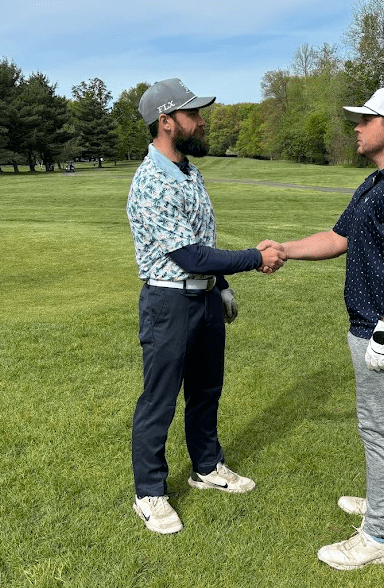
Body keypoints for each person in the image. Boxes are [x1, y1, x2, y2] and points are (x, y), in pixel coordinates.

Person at [259, 87, 384, 569]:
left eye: (366, 119)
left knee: (379, 428)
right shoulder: (377, 182)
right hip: (375, 324)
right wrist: (285, 249)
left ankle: (377, 538)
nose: (357, 127)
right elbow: (338, 237)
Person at [126, 78, 286, 535]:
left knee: (206, 389)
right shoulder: (152, 180)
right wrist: (254, 258)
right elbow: (189, 256)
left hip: (205, 297)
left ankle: (206, 466)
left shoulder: (188, 172)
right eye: (192, 114)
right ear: (166, 121)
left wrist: (221, 286)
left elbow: (203, 243)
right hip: (169, 301)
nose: (200, 121)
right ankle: (149, 492)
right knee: (159, 398)